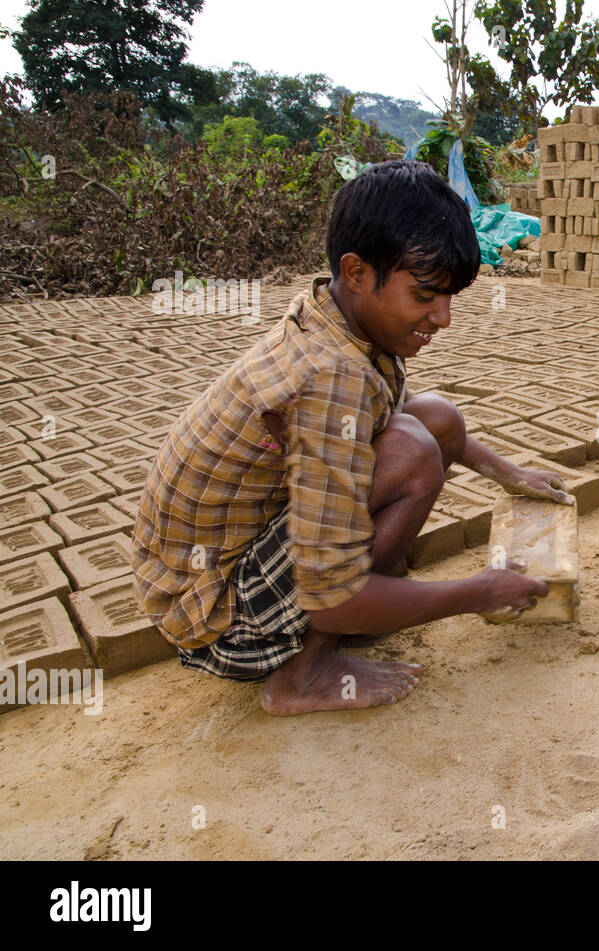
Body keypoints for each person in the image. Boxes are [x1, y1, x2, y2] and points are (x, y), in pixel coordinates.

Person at [131, 159, 570, 716]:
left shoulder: (331, 314)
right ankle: (301, 677)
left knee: (435, 420)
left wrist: (511, 474)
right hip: (218, 620)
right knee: (413, 455)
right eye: (425, 295)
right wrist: (476, 592)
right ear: (358, 271)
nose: (443, 318)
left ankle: (363, 607)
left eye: (450, 297)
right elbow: (333, 598)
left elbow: (418, 418)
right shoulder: (330, 377)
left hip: (223, 572)